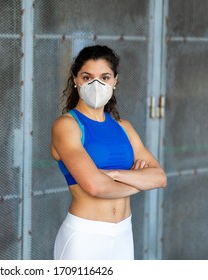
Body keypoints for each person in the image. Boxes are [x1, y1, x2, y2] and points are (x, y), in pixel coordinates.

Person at [51, 45, 167, 260]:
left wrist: (114, 175)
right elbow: (95, 187)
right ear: (75, 80)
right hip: (85, 237)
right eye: (87, 77)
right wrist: (141, 181)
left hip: (123, 234)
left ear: (115, 81)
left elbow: (159, 178)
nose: (97, 84)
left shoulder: (124, 127)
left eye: (105, 77)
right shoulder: (67, 126)